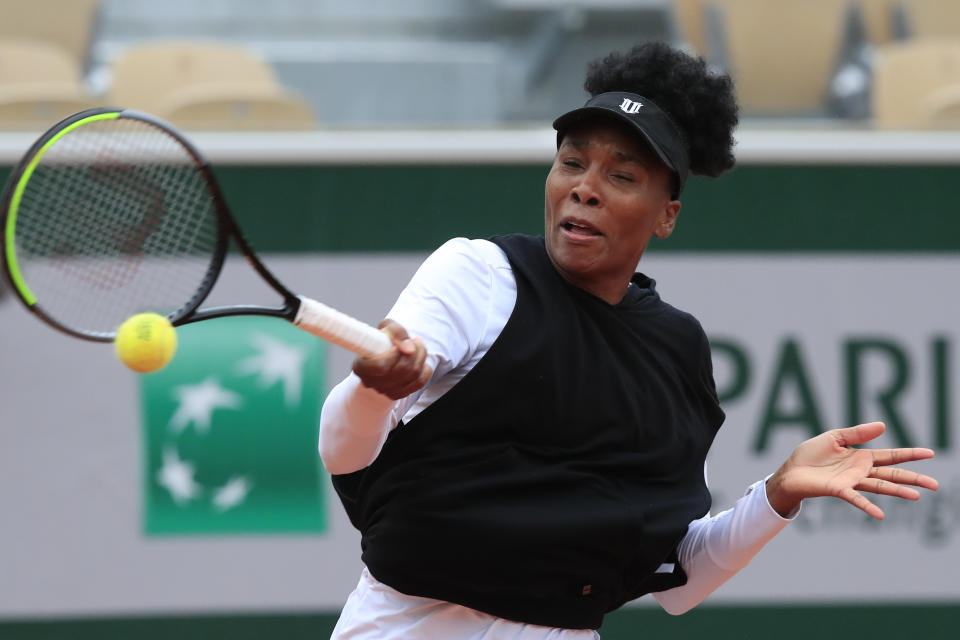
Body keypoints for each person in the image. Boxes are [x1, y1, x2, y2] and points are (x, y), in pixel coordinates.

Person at [318, 42, 939, 639]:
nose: (585, 187)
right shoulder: (477, 274)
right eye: (571, 162)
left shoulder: (675, 348)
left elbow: (677, 582)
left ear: (666, 213)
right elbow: (344, 451)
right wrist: (374, 390)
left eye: (622, 175)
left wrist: (777, 495)